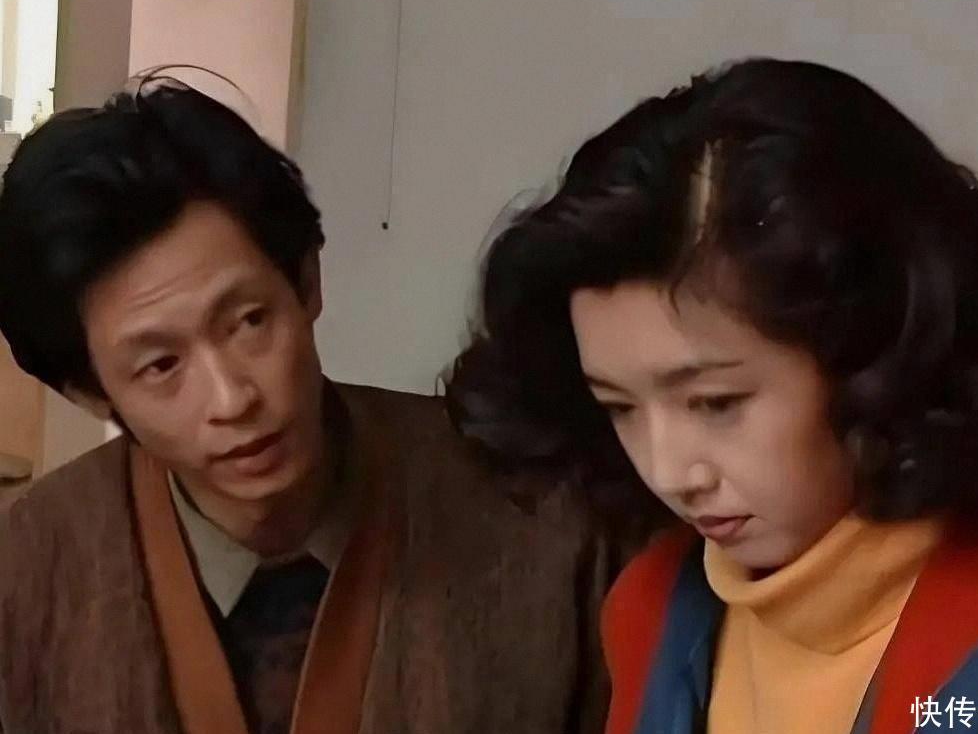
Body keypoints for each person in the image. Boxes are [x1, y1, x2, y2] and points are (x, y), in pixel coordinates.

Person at [447, 58, 978, 733]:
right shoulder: (653, 612)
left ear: (879, 346)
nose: (670, 472)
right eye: (620, 407)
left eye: (716, 403)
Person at [0, 78, 626, 734]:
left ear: (306, 283)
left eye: (249, 322)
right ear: (92, 392)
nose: (232, 398)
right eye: (161, 366)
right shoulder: (29, 568)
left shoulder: (536, 511)